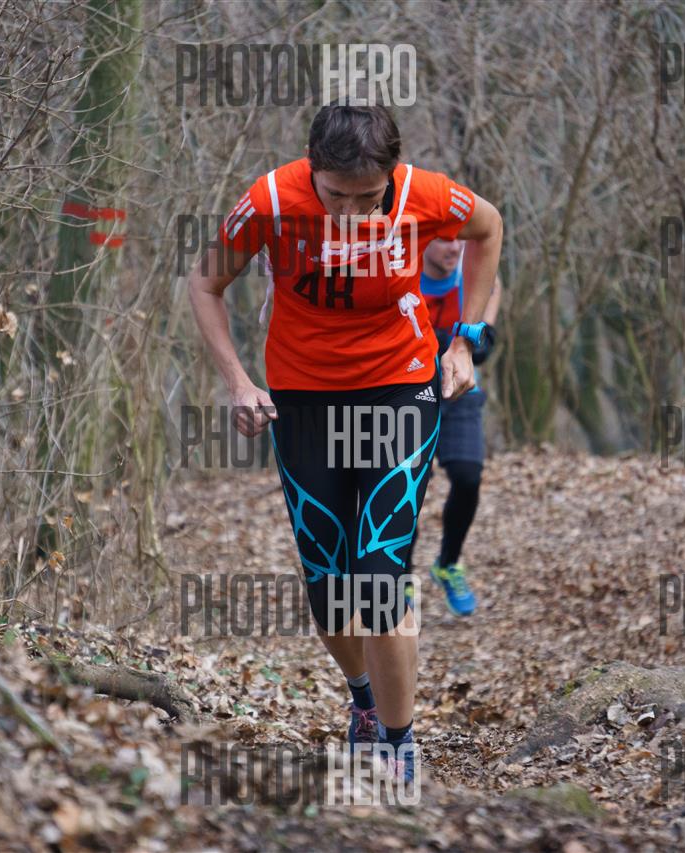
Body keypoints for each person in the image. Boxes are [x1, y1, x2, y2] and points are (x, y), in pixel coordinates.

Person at [187, 104, 503, 783]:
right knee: (330, 586)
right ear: (313, 170)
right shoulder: (270, 202)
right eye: (337, 196)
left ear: (391, 176)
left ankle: (398, 745)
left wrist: (465, 339)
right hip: (304, 397)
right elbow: (206, 283)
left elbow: (488, 226)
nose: (353, 213)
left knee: (381, 575)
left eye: (369, 198)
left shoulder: (422, 194)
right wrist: (238, 382)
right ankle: (363, 701)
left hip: (399, 388)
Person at [410, 238, 503, 616]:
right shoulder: (404, 273)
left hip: (461, 392)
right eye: (445, 240)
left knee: (468, 476)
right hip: (407, 396)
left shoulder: (474, 276)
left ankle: (448, 564)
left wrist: (480, 328)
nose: (454, 248)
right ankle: (400, 573)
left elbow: (482, 348)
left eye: (459, 240)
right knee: (408, 487)